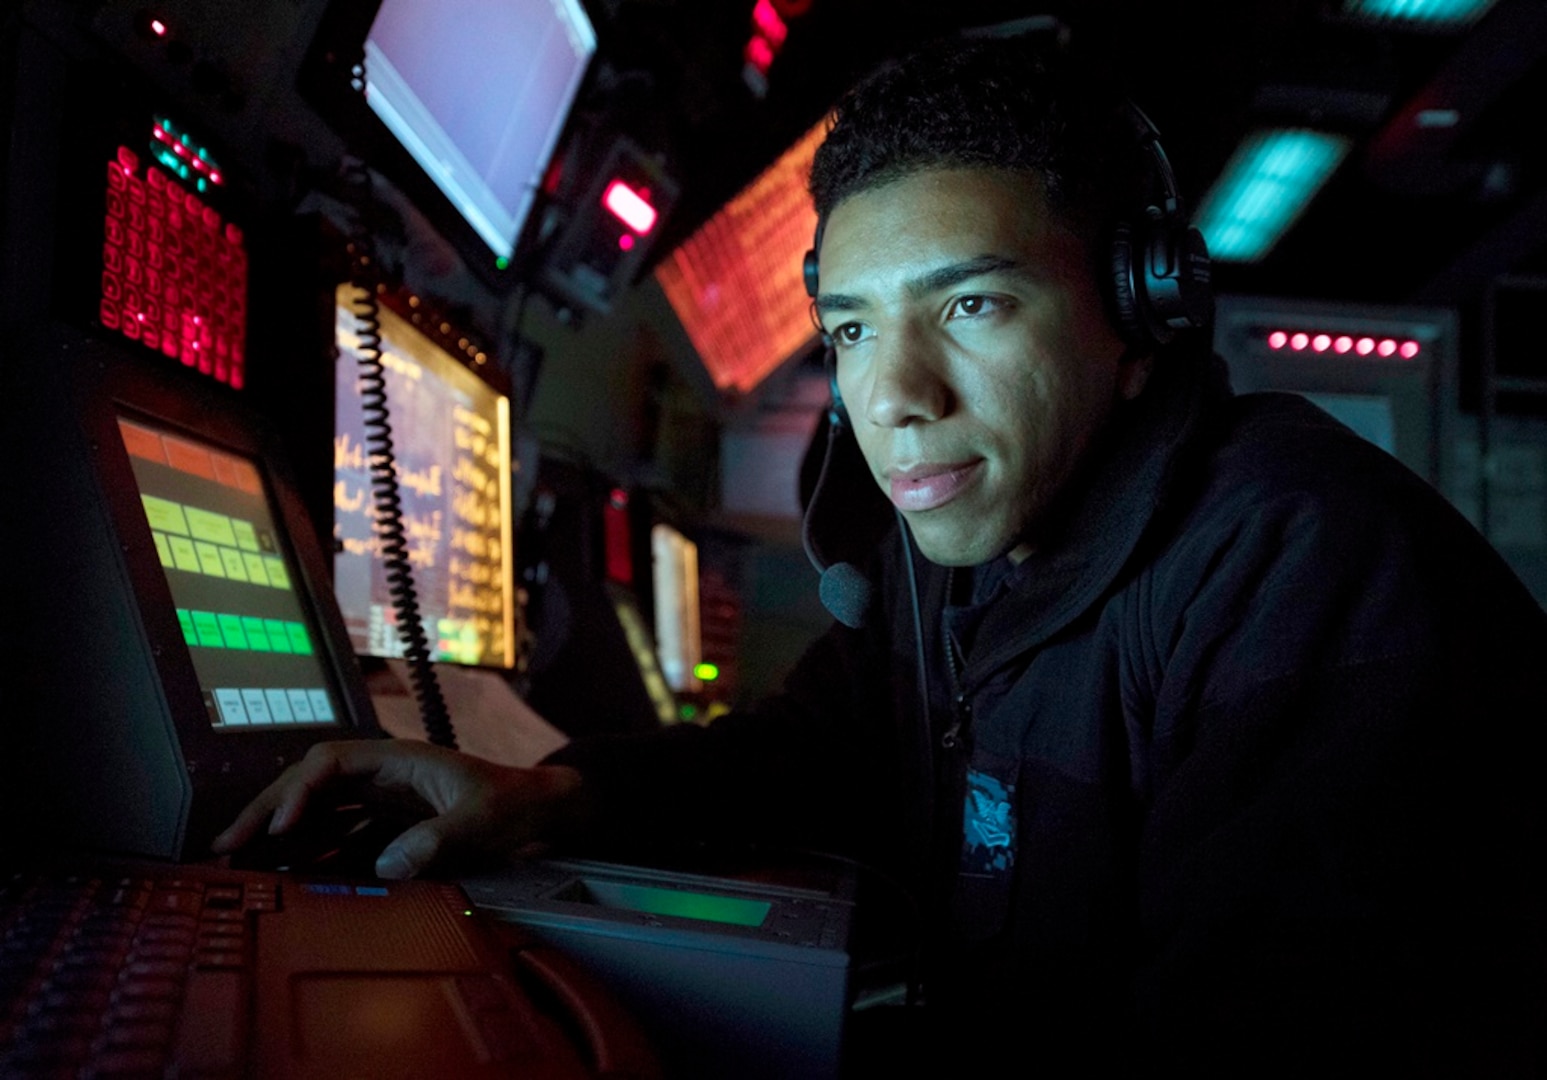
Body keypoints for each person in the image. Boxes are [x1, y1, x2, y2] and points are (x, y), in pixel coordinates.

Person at [217, 31, 1547, 1074]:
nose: (896, 391)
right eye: (850, 329)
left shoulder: (1309, 580)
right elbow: (823, 752)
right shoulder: (970, 551)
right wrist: (543, 797)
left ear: (1142, 313)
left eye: (970, 303)